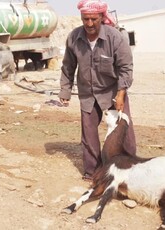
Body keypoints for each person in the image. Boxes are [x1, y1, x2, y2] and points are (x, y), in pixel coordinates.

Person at [58, 0, 136, 181]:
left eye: (93, 19)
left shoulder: (115, 37)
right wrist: (65, 91)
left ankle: (129, 169)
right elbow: (68, 66)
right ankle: (93, 172)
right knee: (89, 134)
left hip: (113, 93)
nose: (89, 24)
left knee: (123, 132)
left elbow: (125, 67)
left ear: (101, 17)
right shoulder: (74, 37)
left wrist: (121, 93)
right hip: (87, 94)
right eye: (85, 19)